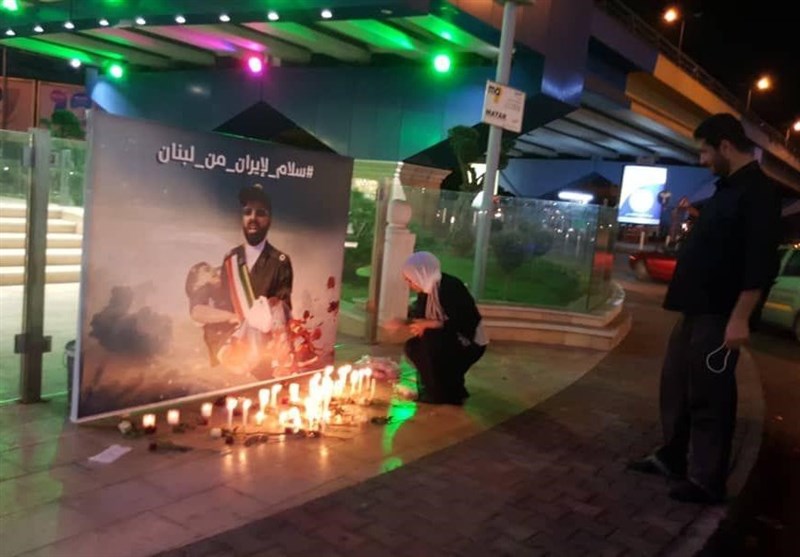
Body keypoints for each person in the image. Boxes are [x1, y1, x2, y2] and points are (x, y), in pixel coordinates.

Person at [628, 114, 782, 504]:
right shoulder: (727, 188)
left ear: (725, 146)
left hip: (720, 314)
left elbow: (761, 262)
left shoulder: (759, 193)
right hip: (696, 310)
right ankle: (672, 456)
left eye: (705, 152)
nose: (702, 160)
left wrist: (740, 317)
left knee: (710, 395)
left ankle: (707, 480)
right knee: (676, 385)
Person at [215, 185, 296, 377]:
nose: (253, 218)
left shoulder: (280, 261)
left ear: (269, 220)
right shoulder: (230, 259)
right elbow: (223, 304)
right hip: (234, 357)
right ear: (242, 218)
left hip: (264, 359)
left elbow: (282, 313)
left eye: (260, 213)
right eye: (247, 212)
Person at [390, 252, 488, 405]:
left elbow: (464, 322)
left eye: (410, 280)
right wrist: (404, 322)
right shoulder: (426, 290)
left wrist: (430, 324)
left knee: (431, 341)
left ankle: (443, 393)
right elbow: (421, 318)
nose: (409, 284)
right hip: (448, 338)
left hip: (469, 342)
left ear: (421, 274)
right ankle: (434, 389)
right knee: (414, 346)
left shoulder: (451, 287)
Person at [184, 262, 239, 366]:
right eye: (206, 270)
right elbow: (197, 312)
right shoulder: (202, 291)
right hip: (226, 343)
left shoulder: (224, 289)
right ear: (196, 282)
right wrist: (231, 316)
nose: (213, 270)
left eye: (211, 268)